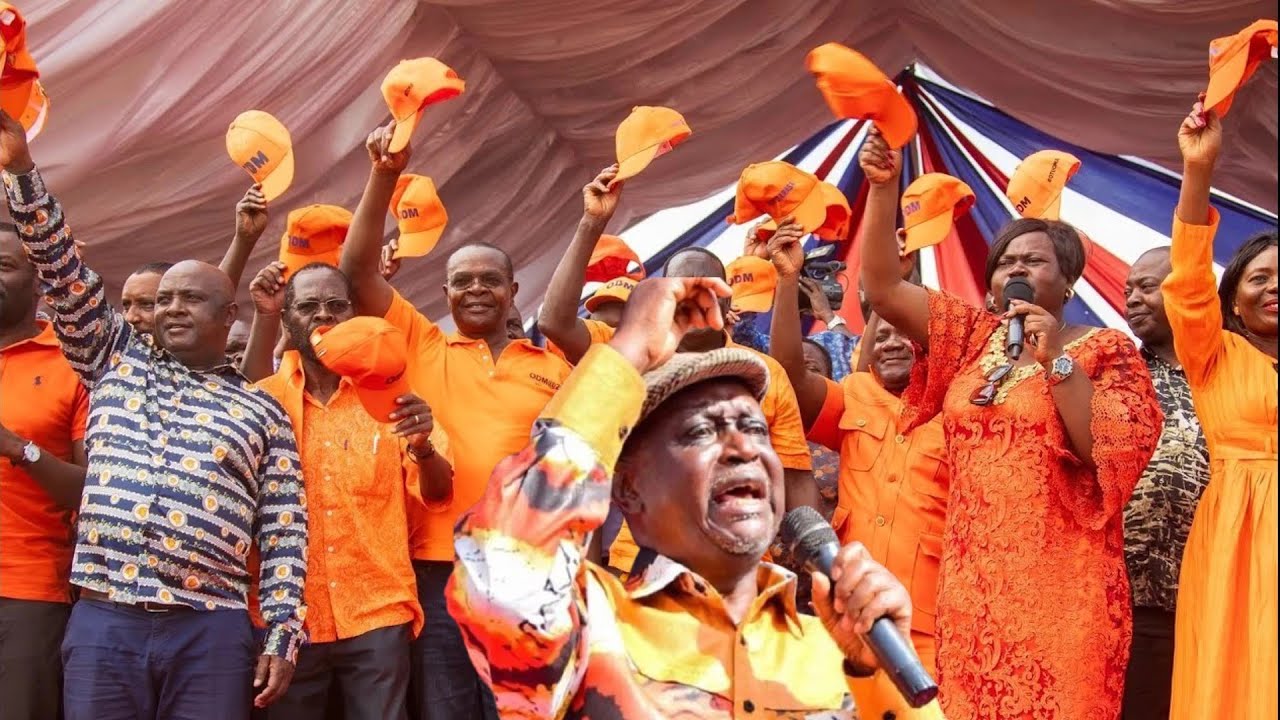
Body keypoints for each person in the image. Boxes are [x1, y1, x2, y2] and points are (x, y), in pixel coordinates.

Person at [446, 275, 943, 719]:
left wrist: (875, 673)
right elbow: (502, 561)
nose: (743, 447)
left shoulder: (838, 649)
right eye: (702, 431)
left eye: (754, 427)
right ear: (629, 491)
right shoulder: (589, 628)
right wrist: (631, 348)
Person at [0, 110, 307, 720]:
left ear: (228, 319)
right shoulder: (113, 361)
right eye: (164, 298)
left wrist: (281, 633)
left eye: (191, 299)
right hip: (104, 618)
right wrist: (22, 170)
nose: (171, 308)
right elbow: (63, 272)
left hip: (211, 630)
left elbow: (284, 533)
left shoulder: (262, 410)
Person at [858, 126, 1161, 720]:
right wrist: (882, 188)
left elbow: (1105, 452)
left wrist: (1058, 364)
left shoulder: (1107, 349)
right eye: (1005, 263)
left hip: (1064, 587)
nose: (1014, 271)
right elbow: (884, 287)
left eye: (1033, 261)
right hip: (973, 590)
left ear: (1068, 281)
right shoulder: (973, 340)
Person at [340, 121, 571, 720]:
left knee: (521, 711)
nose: (475, 290)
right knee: (446, 711)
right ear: (443, 294)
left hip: (529, 568)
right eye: (461, 281)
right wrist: (384, 173)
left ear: (513, 290)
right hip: (439, 568)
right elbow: (358, 271)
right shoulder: (423, 345)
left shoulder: (556, 367)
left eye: (489, 280)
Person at [248, 261, 453, 720]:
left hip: (376, 613)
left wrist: (422, 447)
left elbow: (437, 493)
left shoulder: (395, 397)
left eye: (336, 306)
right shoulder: (261, 402)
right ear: (286, 319)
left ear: (354, 315)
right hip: (286, 622)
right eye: (307, 306)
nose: (323, 316)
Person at [767, 219, 949, 697]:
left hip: (934, 624)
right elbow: (786, 372)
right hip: (847, 618)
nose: (889, 341)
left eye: (903, 332)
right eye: (880, 332)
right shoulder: (855, 394)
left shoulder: (962, 408)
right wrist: (787, 285)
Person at [1164, 96, 1278, 720]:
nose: (1275, 286)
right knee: (1232, 677)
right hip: (1238, 536)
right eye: (1260, 278)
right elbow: (1185, 281)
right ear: (1233, 301)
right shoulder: (1215, 354)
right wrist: (1198, 171)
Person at [0, 223, 91, 720]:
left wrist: (16, 447)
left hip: (28, 594)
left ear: (37, 280)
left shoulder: (72, 365)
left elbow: (91, 491)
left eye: (3, 265)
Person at [1120, 246, 1210, 720]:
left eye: (1147, 287)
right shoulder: (1115, 374)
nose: (1132, 298)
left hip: (1216, 604)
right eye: (1127, 289)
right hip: (1127, 605)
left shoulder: (1229, 374)